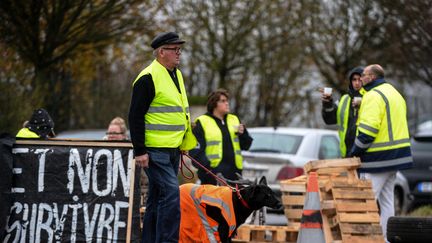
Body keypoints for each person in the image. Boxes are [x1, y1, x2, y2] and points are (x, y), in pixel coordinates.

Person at [128, 31, 196, 243]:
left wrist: (183, 144)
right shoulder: (148, 77)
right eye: (175, 49)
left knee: (157, 199)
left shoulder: (176, 74)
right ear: (161, 52)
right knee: (171, 195)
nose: (179, 53)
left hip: (173, 150)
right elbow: (135, 116)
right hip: (154, 151)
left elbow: (180, 113)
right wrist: (140, 150)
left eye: (180, 49)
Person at [348, 64, 413, 241]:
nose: (361, 78)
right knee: (387, 202)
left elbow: (368, 131)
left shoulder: (373, 96)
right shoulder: (394, 93)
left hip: (378, 159)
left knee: (365, 202)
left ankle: (364, 239)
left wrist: (354, 152)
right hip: (396, 158)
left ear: (373, 77)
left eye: (364, 75)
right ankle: (385, 239)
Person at [190, 89, 253, 185]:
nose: (227, 103)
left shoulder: (234, 119)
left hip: (234, 175)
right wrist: (209, 168)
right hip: (212, 176)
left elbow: (246, 145)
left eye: (227, 101)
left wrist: (243, 133)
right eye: (223, 101)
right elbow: (195, 151)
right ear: (214, 104)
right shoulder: (202, 122)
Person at [321, 67, 364, 157]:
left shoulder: (371, 98)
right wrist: (328, 103)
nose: (357, 83)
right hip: (347, 154)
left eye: (360, 80)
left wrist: (361, 108)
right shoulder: (344, 99)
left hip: (365, 155)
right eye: (354, 80)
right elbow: (329, 120)